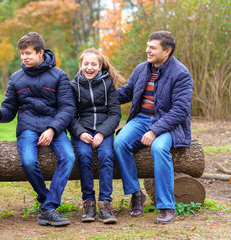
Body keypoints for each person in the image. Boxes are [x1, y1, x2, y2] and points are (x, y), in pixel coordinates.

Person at [0, 32, 75, 227]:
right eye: (22, 54)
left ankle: (49, 208)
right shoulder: (16, 78)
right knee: (28, 161)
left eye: (28, 53)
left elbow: (67, 108)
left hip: (54, 127)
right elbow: (9, 108)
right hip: (28, 128)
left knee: (69, 157)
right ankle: (46, 202)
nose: (24, 57)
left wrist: (52, 129)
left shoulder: (59, 76)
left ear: (41, 52)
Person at [114, 31, 193, 224]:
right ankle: (136, 194)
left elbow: (180, 111)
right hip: (141, 119)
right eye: (147, 46)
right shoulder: (142, 69)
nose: (147, 50)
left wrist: (154, 131)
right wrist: (97, 98)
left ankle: (167, 207)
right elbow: (126, 93)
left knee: (158, 148)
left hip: (168, 124)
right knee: (119, 143)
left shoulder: (181, 74)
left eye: (152, 47)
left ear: (167, 51)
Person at [68, 49, 122, 224]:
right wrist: (80, 132)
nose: (89, 68)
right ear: (80, 65)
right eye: (86, 64)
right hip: (82, 131)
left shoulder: (108, 85)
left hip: (103, 130)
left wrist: (101, 133)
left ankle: (105, 204)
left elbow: (115, 114)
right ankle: (88, 203)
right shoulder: (73, 85)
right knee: (83, 156)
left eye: (93, 64)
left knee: (106, 156)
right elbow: (70, 114)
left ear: (100, 66)